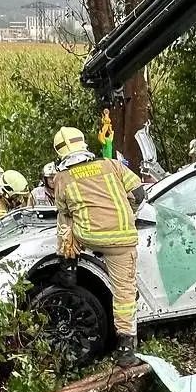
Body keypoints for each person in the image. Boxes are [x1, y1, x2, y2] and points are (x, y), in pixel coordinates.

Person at [51, 126, 148, 365]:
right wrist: (128, 213)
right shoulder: (111, 165)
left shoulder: (62, 178)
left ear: (59, 153)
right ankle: (126, 349)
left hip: (89, 236)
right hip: (120, 239)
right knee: (124, 292)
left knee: (65, 220)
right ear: (83, 144)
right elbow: (139, 193)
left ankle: (68, 267)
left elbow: (64, 211)